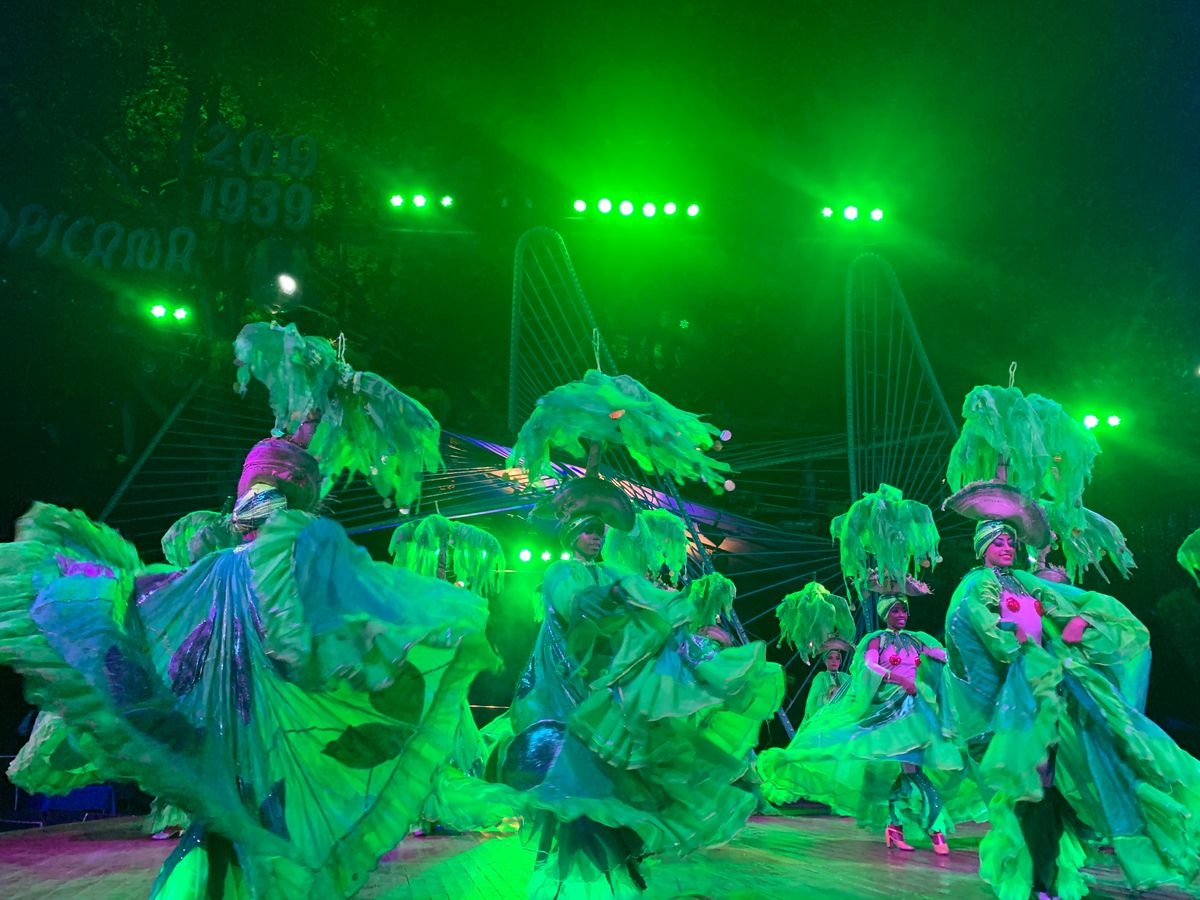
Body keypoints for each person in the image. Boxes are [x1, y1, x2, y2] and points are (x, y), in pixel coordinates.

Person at [487, 479, 781, 898]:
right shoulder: (561, 572)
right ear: (571, 534)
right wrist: (614, 596)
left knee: (617, 789)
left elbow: (646, 613)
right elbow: (575, 606)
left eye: (600, 530)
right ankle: (577, 884)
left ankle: (611, 878)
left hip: (607, 702)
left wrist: (667, 616)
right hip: (572, 700)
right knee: (578, 790)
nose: (597, 536)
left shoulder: (612, 573)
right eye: (589, 530)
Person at [945, 518, 1200, 900]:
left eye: (1011, 541)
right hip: (1008, 707)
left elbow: (1070, 604)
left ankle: (1046, 880)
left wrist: (1077, 620)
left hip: (1045, 695)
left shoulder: (1021, 581)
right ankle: (1038, 881)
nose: (1007, 547)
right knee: (1032, 791)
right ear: (982, 547)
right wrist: (1025, 629)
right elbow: (998, 641)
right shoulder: (977, 586)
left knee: (1058, 783)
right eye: (998, 542)